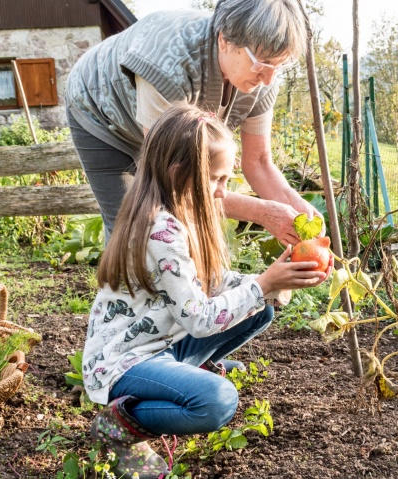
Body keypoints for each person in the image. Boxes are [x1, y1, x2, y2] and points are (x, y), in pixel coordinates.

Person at [83, 103, 330, 479]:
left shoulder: (179, 212)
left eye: (226, 180)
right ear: (179, 174)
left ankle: (187, 371)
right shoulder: (160, 232)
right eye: (216, 180)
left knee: (258, 308)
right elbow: (199, 319)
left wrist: (271, 282)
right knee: (216, 401)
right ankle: (118, 426)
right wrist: (263, 283)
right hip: (123, 362)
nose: (221, 193)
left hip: (159, 342)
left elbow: (210, 285)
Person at [65, 0, 323, 246]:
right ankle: (121, 291)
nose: (268, 78)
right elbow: (175, 181)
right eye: (261, 64)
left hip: (159, 128)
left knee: (186, 233)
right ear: (225, 39)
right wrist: (261, 212)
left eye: (278, 66)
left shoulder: (264, 78)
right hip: (98, 111)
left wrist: (298, 208)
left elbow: (259, 162)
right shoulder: (167, 64)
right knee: (134, 228)